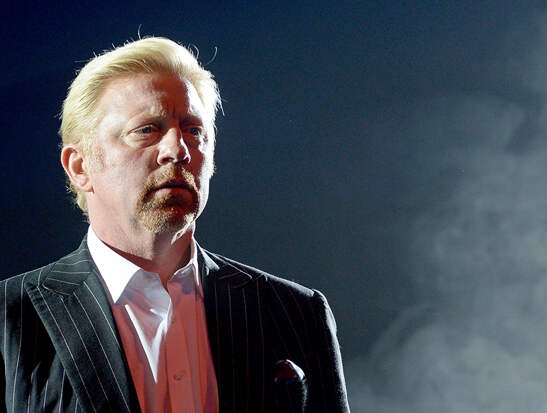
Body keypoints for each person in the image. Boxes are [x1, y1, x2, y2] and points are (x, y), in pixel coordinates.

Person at [0, 37, 349, 413]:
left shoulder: (296, 312)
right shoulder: (8, 319)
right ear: (80, 166)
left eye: (194, 131)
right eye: (147, 129)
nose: (177, 149)